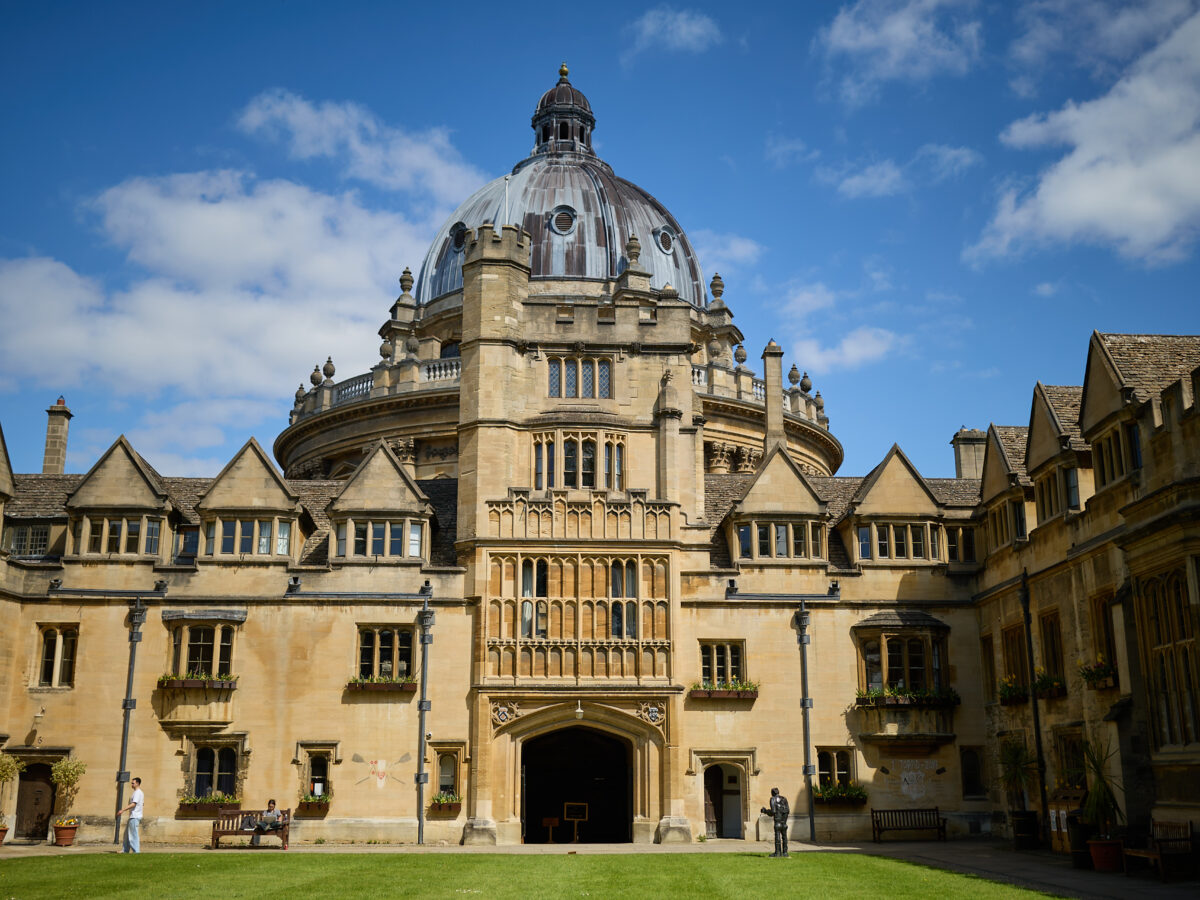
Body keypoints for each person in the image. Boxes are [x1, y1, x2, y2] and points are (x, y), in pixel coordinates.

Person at [760, 786, 790, 857]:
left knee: (777, 837)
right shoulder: (784, 799)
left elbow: (773, 811)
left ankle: (777, 853)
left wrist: (765, 811)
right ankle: (785, 852)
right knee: (784, 837)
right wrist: (784, 819)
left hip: (778, 822)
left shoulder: (772, 799)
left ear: (772, 793)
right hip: (784, 822)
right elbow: (787, 810)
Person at [117, 777, 144, 853]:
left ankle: (136, 851)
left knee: (133, 835)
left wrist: (123, 810)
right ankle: (125, 850)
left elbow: (133, 804)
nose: (131, 784)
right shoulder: (137, 793)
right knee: (127, 835)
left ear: (137, 783)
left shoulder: (138, 792)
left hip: (135, 816)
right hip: (133, 816)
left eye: (133, 783)